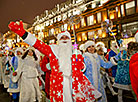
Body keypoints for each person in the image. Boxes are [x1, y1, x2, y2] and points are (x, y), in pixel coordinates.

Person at [8, 21, 102, 102]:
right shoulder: (52, 50)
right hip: (58, 86)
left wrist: (79, 63)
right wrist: (22, 32)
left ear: (70, 40)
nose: (64, 39)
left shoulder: (75, 52)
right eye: (62, 38)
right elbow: (37, 43)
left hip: (74, 86)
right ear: (58, 40)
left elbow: (82, 67)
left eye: (66, 37)